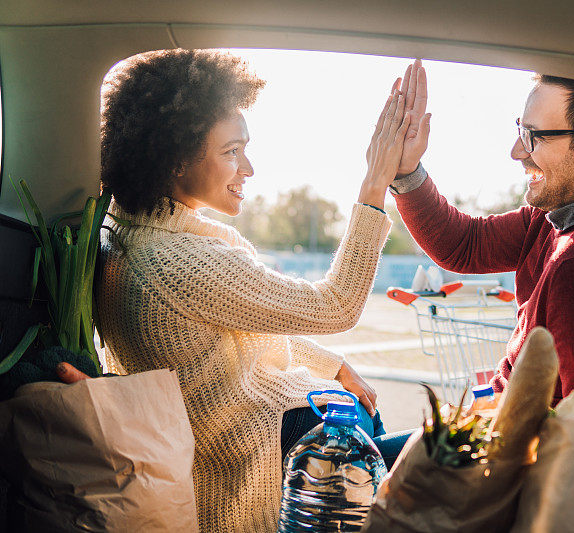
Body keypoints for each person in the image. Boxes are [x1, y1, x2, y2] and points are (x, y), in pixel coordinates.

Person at [88, 49, 416, 532]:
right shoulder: (181, 262)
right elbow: (338, 305)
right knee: (449, 464)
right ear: (176, 161)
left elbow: (232, 335)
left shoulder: (131, 237)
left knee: (411, 448)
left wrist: (336, 365)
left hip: (286, 430)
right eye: (231, 151)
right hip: (278, 461)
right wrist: (375, 183)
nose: (249, 168)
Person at [391, 60, 574, 403]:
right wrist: (407, 170)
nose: (516, 152)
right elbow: (464, 245)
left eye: (533, 137)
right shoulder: (566, 214)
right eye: (520, 130)